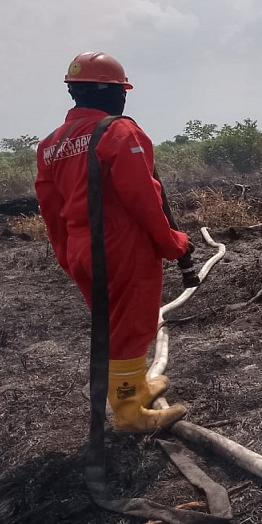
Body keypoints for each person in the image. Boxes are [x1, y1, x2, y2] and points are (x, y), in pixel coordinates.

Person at [35, 52, 191, 433]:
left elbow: (52, 211)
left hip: (83, 251)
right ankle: (130, 413)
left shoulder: (51, 144)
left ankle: (134, 388)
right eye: (122, 91)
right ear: (110, 92)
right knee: (131, 326)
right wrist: (173, 243)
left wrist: (69, 257)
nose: (124, 98)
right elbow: (145, 199)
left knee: (111, 325)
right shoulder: (119, 133)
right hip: (121, 248)